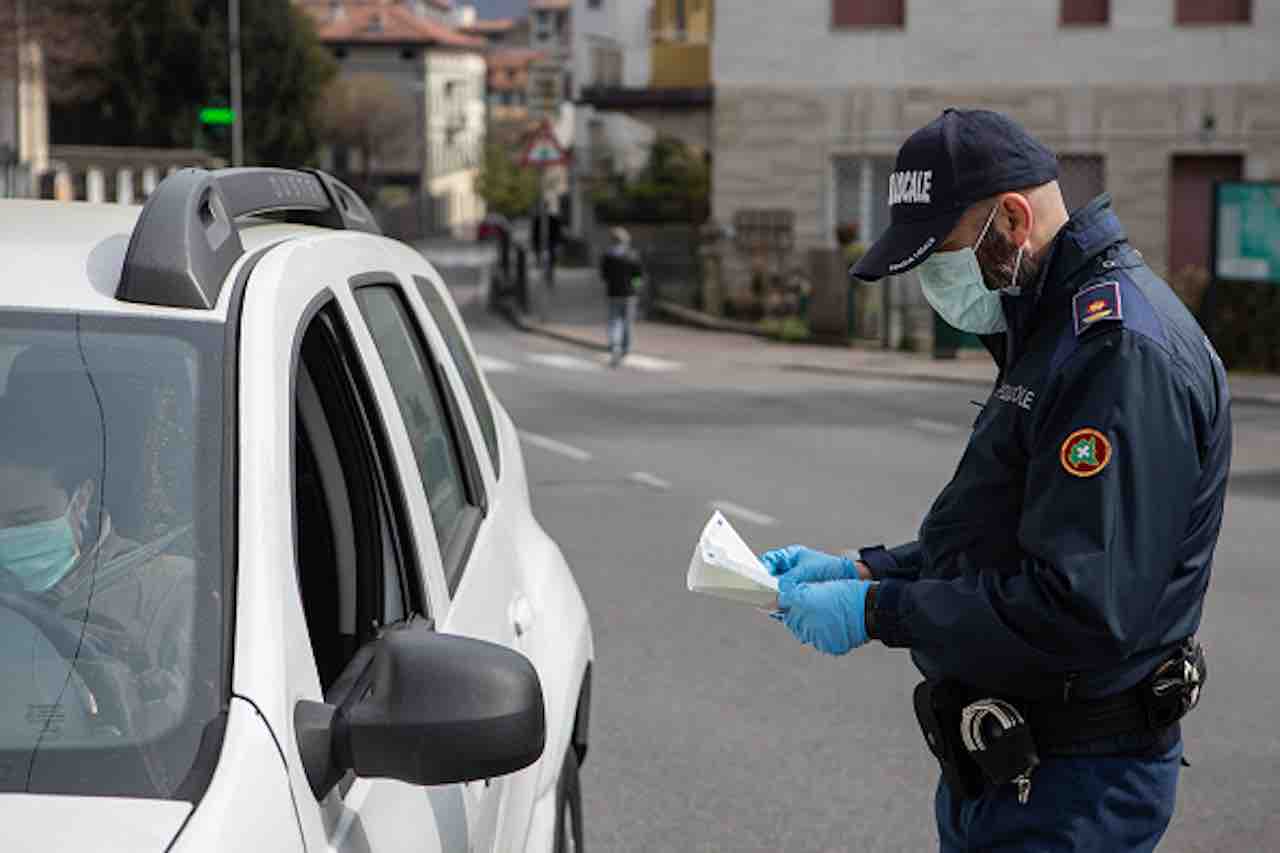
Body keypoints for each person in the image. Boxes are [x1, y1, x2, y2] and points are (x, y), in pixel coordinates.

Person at [762, 109, 1230, 852]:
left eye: (941, 257)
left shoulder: (1116, 354)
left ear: (1013, 219)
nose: (932, 284)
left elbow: (1076, 605)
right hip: (1018, 773)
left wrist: (880, 609)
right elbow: (1013, 527)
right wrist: (867, 568)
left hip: (1074, 786)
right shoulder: (1052, 326)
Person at [600, 226, 645, 367]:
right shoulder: (632, 255)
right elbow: (638, 276)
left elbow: (604, 276)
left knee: (614, 321)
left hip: (613, 292)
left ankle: (615, 347)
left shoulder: (607, 256)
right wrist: (637, 288)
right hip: (629, 293)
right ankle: (626, 348)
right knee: (627, 322)